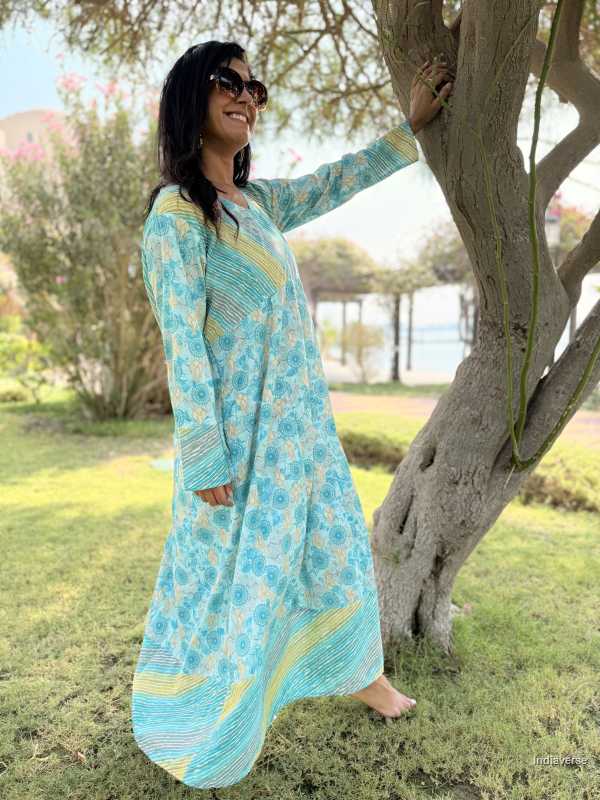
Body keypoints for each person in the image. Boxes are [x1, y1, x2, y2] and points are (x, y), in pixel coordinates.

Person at [131, 39, 453, 789]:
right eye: (227, 82)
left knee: (336, 547)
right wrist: (205, 456)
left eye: (255, 87)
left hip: (299, 435)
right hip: (239, 448)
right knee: (241, 580)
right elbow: (183, 344)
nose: (246, 96)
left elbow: (336, 181)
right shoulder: (177, 219)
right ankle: (216, 707)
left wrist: (409, 128)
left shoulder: (261, 203)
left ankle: (361, 675)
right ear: (190, 97)